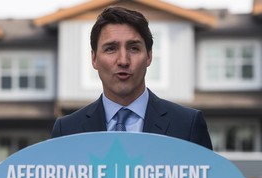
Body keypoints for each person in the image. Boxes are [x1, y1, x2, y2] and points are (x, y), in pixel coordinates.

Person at [51, 6, 213, 150]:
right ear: (94, 59)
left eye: (134, 48)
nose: (123, 60)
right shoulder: (66, 131)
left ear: (149, 56)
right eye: (110, 49)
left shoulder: (187, 125)